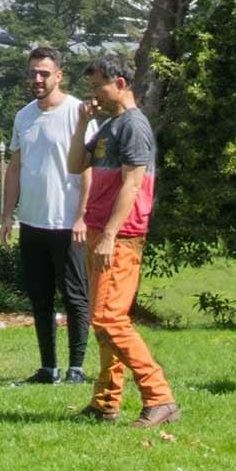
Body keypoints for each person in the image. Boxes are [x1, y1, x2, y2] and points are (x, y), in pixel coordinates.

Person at [67, 56, 179, 427]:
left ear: (120, 82)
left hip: (121, 234)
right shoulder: (109, 125)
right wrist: (83, 121)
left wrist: (111, 235)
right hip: (100, 231)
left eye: (99, 85)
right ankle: (106, 402)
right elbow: (74, 164)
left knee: (109, 318)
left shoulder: (133, 126)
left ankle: (159, 396)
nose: (94, 93)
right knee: (104, 322)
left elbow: (133, 183)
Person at [0, 45, 92, 386]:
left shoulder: (77, 112)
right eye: (32, 73)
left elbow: (88, 168)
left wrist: (82, 215)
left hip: (68, 223)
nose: (37, 79)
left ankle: (76, 368)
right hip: (33, 222)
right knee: (39, 297)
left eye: (43, 73)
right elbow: (15, 167)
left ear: (58, 75)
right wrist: (8, 215)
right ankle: (48, 368)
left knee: (74, 296)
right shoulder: (24, 116)